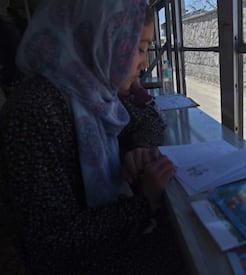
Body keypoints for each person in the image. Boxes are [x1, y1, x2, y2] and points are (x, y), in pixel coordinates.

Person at [0, 0, 184, 274]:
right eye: (140, 48)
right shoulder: (34, 112)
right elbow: (50, 244)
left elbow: (149, 119)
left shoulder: (91, 90)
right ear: (103, 37)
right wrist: (144, 201)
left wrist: (141, 148)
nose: (145, 64)